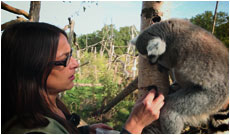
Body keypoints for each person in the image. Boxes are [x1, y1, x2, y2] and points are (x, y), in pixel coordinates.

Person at [1, 22, 165, 134]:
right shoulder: (31, 130)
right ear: (33, 68)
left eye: (71, 54)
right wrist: (134, 126)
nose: (76, 63)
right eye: (65, 58)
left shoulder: (50, 105)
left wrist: (82, 131)